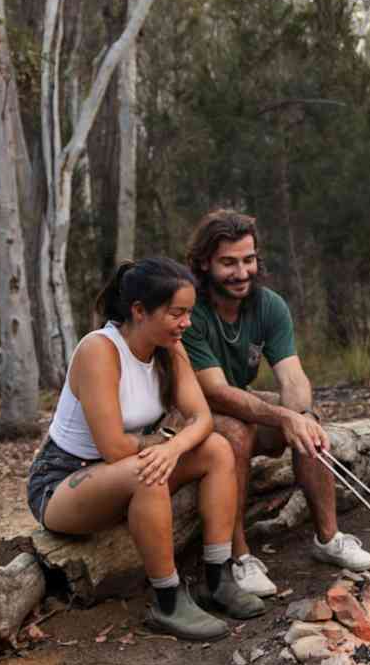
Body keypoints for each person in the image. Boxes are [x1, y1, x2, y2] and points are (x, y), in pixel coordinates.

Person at [26, 257, 267, 640]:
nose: (187, 323)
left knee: (218, 449)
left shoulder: (169, 348)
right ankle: (167, 600)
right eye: (176, 313)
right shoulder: (100, 350)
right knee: (146, 469)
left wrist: (172, 448)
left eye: (189, 312)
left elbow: (201, 419)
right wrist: (165, 446)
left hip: (127, 469)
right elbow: (114, 447)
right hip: (64, 483)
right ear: (139, 311)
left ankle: (217, 577)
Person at [182, 208, 370, 594]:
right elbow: (215, 392)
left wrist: (299, 416)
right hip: (188, 410)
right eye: (228, 263)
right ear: (204, 263)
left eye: (248, 260)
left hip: (237, 399)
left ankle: (328, 538)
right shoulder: (191, 311)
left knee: (308, 420)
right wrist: (282, 417)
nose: (242, 273)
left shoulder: (268, 304)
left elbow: (291, 375)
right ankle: (238, 557)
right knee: (235, 434)